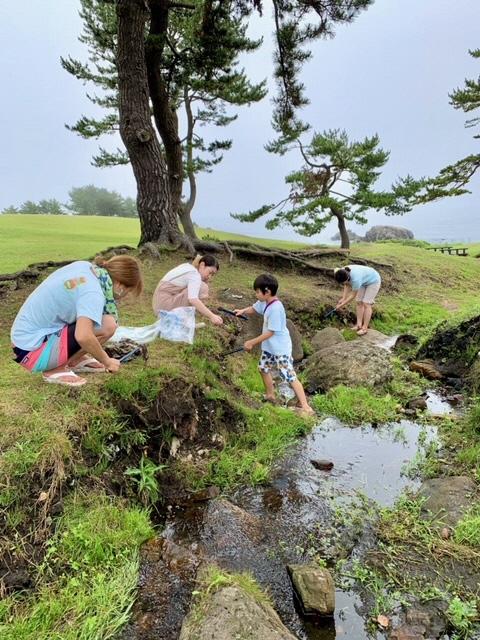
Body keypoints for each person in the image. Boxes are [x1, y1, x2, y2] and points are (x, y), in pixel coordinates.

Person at [11, 255, 144, 387]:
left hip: (23, 341)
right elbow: (83, 336)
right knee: (108, 325)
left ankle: (75, 359)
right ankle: (55, 369)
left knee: (94, 322)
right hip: (32, 351)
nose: (125, 295)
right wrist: (107, 361)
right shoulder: (93, 293)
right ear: (120, 285)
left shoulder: (86, 268)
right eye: (129, 290)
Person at [234, 274, 314, 416]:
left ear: (267, 291)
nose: (256, 294)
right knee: (263, 368)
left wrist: (251, 342)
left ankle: (305, 404)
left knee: (288, 375)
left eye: (258, 292)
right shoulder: (265, 302)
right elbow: (254, 308)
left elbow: (270, 333)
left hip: (280, 348)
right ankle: (270, 395)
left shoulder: (276, 308)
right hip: (269, 347)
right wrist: (242, 311)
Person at [152, 254, 223, 326]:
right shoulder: (194, 275)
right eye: (210, 272)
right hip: (164, 307)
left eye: (212, 275)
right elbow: (193, 299)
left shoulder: (188, 267)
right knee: (203, 288)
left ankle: (185, 321)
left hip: (159, 305)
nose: (209, 277)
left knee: (200, 287)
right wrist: (212, 316)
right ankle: (185, 322)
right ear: (202, 265)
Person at [334, 265, 381, 335]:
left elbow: (353, 295)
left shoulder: (356, 280)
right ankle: (358, 325)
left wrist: (341, 305)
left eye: (344, 282)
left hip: (373, 280)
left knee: (366, 303)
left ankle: (364, 328)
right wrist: (343, 298)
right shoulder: (341, 272)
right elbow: (346, 285)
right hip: (364, 281)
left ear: (348, 278)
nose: (343, 283)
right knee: (359, 302)